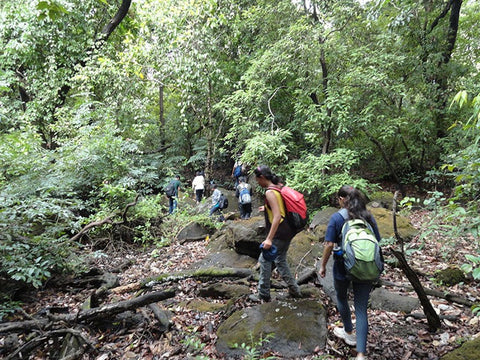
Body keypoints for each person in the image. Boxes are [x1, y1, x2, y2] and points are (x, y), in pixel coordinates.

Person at [319, 185, 382, 360]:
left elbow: (329, 245)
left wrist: (323, 266)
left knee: (341, 297)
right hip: (365, 266)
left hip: (342, 267)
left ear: (341, 199)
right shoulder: (368, 217)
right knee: (361, 308)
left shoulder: (337, 218)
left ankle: (348, 331)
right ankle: (361, 354)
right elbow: (377, 241)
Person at [250, 165, 301, 302]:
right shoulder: (278, 187)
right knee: (280, 260)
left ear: (262, 178)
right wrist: (266, 208)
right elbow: (279, 207)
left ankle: (263, 293)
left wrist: (269, 239)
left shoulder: (270, 192)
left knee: (264, 259)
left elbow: (277, 216)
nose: (257, 182)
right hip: (288, 230)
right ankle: (295, 290)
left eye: (257, 179)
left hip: (279, 232)